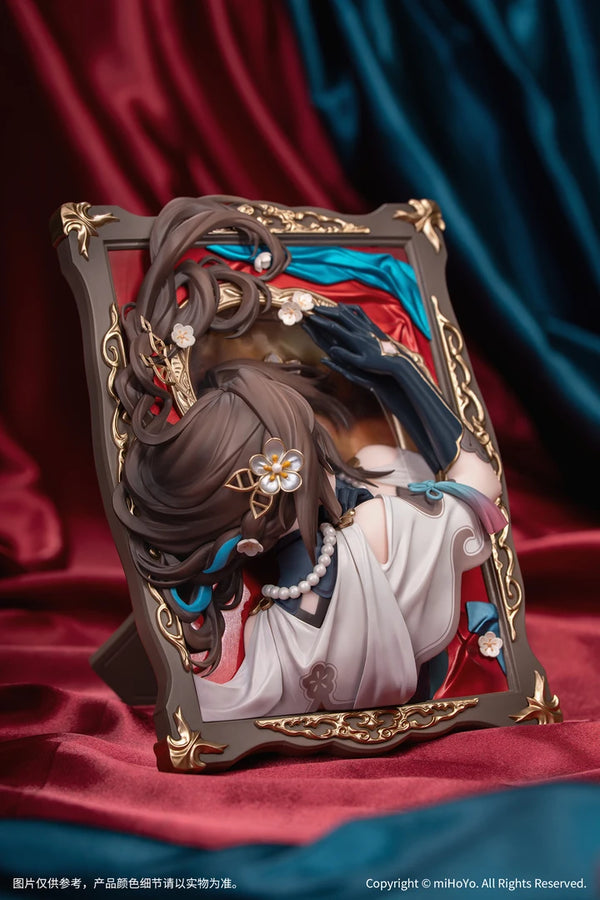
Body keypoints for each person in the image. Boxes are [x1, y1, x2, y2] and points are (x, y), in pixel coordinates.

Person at [113, 197, 504, 722]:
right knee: (384, 461)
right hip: (435, 712)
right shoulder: (380, 530)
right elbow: (480, 483)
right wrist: (400, 371)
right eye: (315, 440)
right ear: (301, 471)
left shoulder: (265, 644)